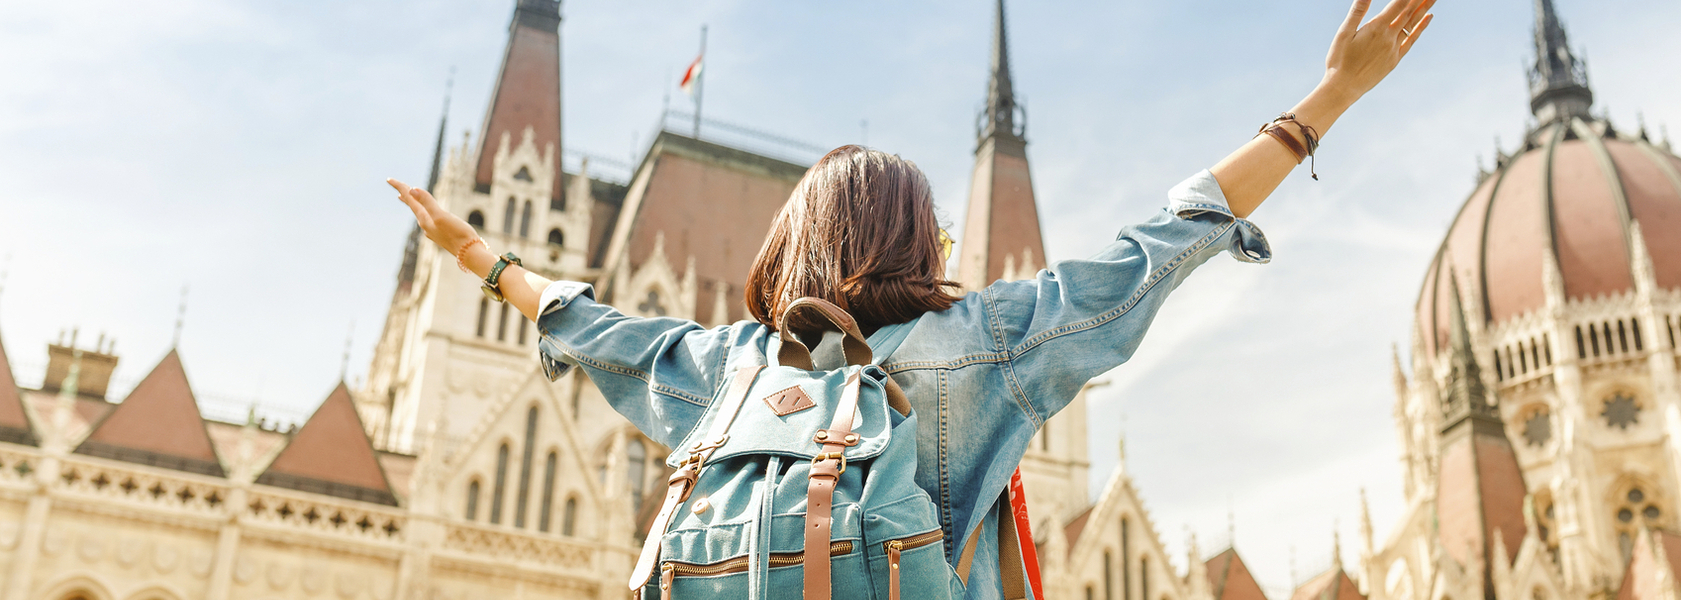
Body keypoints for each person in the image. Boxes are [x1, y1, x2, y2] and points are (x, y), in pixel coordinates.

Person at [388, 0, 1432, 595]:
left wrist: (477, 257)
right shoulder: (981, 346)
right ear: (920, 239)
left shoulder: (726, 371)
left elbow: (584, 323)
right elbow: (1163, 244)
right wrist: (1327, 101)